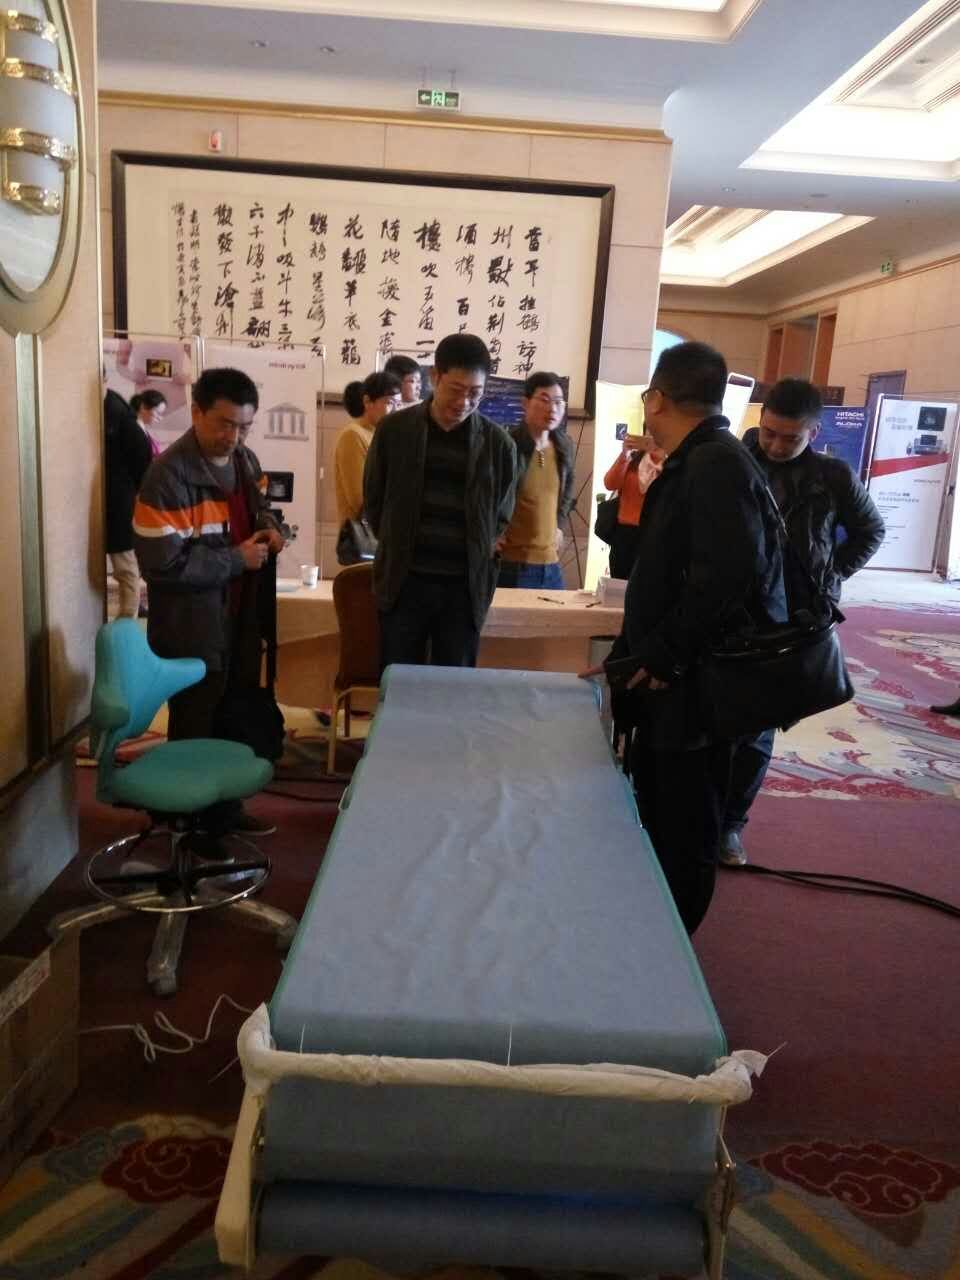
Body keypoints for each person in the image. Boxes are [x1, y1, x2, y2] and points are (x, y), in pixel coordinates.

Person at [581, 342, 787, 935]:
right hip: (674, 677)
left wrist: (664, 657)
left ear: (656, 399)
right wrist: (631, 656)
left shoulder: (715, 463)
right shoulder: (699, 456)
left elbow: (725, 578)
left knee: (684, 820)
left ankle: (669, 943)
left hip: (696, 688)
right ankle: (652, 924)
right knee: (659, 804)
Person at [719, 378, 886, 868]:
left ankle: (730, 825)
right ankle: (702, 815)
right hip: (733, 607)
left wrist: (832, 576)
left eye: (789, 438)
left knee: (759, 725)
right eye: (769, 432)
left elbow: (870, 530)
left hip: (794, 617)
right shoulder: (733, 460)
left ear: (814, 433)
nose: (775, 445)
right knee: (715, 717)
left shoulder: (832, 476)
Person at [134, 367, 285, 842]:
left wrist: (270, 529)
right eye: (224, 424)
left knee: (233, 718)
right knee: (196, 725)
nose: (233, 437)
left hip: (240, 620)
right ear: (196, 412)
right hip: (191, 628)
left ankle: (223, 810)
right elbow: (161, 565)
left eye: (244, 426)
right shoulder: (167, 476)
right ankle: (190, 828)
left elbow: (260, 511)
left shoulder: (244, 460)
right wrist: (236, 560)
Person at [363, 332, 517, 670]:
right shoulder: (394, 431)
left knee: (454, 687)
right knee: (400, 682)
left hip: (463, 591)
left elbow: (501, 515)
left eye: (475, 393)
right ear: (435, 377)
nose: (464, 402)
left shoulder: (498, 444)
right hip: (404, 585)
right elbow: (374, 501)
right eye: (456, 390)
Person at [497, 372, 575, 590]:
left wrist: (559, 525)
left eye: (558, 402)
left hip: (552, 566)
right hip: (512, 564)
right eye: (544, 400)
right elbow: (485, 493)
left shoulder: (564, 446)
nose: (552, 409)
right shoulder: (508, 445)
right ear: (525, 403)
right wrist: (492, 534)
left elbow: (567, 491)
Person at [104, 386, 154, 618]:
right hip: (118, 505)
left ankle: (127, 625)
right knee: (128, 571)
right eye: (157, 412)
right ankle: (128, 624)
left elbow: (142, 466)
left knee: (127, 571)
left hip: (120, 505)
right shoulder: (118, 412)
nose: (158, 418)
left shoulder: (118, 414)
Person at [334, 370, 401, 526]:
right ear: (367, 401)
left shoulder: (382, 435)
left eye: (398, 404)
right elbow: (359, 500)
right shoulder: (353, 435)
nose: (395, 410)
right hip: (362, 534)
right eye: (389, 403)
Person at [603, 432, 665, 579]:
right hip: (625, 535)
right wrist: (624, 454)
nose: (653, 436)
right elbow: (610, 483)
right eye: (649, 432)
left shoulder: (672, 462)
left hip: (655, 535)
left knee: (649, 585)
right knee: (621, 584)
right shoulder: (634, 459)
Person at [129, 389, 166, 458]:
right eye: (158, 413)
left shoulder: (142, 429)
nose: (160, 418)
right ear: (143, 407)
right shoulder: (132, 430)